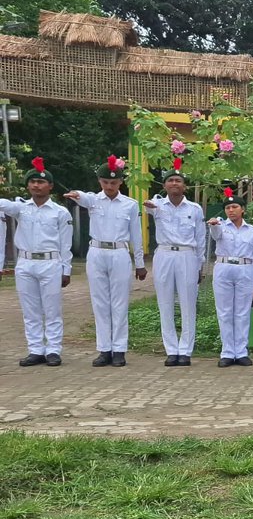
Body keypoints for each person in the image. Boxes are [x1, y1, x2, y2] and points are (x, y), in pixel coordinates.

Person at [62, 155, 146, 367]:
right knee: (100, 303)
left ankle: (119, 349)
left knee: (119, 303)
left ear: (120, 183)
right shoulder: (94, 200)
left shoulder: (130, 204)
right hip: (97, 252)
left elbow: (136, 235)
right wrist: (76, 194)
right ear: (100, 182)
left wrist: (140, 264)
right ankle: (104, 349)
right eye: (105, 182)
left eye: (114, 182)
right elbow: (81, 196)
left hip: (119, 253)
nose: (109, 186)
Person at [0, 158, 72, 367]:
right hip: (25, 263)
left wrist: (66, 270)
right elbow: (3, 204)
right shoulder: (21, 208)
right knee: (30, 310)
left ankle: (53, 350)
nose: (36, 185)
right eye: (32, 182)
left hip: (50, 263)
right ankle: (35, 350)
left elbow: (66, 244)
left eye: (40, 182)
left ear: (49, 186)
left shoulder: (60, 212)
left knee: (51, 309)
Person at [141, 158, 206, 367]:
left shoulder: (194, 208)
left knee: (188, 303)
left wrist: (200, 265)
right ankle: (171, 350)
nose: (175, 184)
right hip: (165, 254)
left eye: (178, 180)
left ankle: (186, 350)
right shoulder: (157, 205)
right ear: (164, 186)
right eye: (171, 181)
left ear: (184, 185)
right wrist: (152, 204)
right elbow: (148, 206)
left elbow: (201, 238)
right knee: (165, 303)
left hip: (187, 254)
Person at [206, 189, 253, 367]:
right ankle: (227, 352)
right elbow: (215, 235)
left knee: (242, 312)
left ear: (242, 209)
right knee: (224, 311)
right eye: (228, 207)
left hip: (245, 268)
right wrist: (213, 225)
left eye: (235, 206)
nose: (231, 210)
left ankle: (242, 351)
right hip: (224, 268)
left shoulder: (252, 231)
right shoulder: (220, 226)